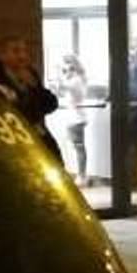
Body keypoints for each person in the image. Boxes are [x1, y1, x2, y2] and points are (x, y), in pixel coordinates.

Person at [0, 36, 62, 163]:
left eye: (24, 51)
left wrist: (35, 87)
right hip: (16, 143)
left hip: (41, 139)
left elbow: (51, 104)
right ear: (2, 55)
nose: (22, 56)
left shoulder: (31, 75)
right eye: (16, 51)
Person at [58, 53, 90, 185]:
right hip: (75, 117)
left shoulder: (76, 80)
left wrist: (61, 76)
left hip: (75, 118)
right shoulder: (78, 78)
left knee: (78, 148)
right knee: (77, 147)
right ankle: (80, 175)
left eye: (67, 66)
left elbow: (63, 87)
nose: (66, 69)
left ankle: (81, 176)